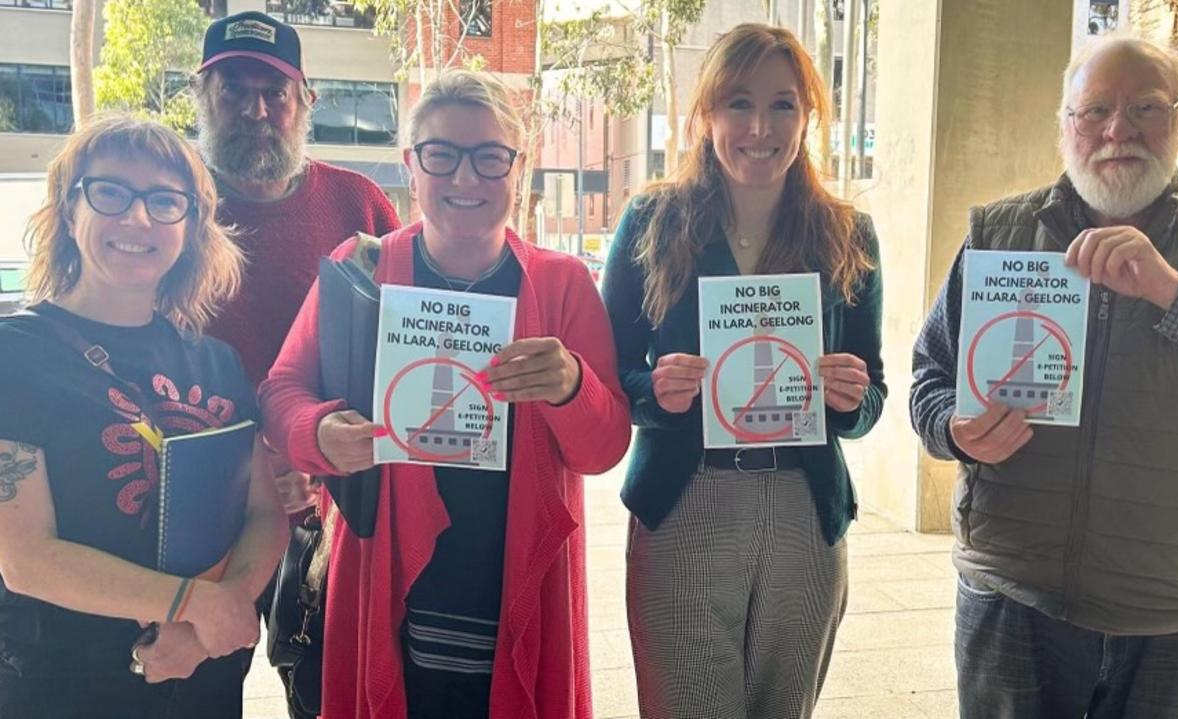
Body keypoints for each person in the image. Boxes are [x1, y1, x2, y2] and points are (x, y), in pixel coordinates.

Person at [909, 37, 1178, 718]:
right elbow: (929, 377)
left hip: (1173, 617)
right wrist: (953, 430)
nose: (1118, 130)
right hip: (1012, 596)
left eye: (1145, 108)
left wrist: (1175, 291)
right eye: (1095, 110)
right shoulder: (1000, 233)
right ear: (1065, 125)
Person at [260, 69, 631, 718]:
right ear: (411, 164)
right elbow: (282, 390)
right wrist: (318, 432)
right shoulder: (363, 267)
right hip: (387, 596)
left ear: (519, 168)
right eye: (442, 155)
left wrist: (571, 385)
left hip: (515, 597)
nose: (466, 179)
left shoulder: (562, 283)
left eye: (490, 158)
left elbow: (605, 448)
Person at [603, 24, 885, 719]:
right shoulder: (651, 220)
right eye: (738, 103)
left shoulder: (847, 233)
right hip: (685, 500)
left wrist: (849, 398)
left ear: (807, 116)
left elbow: (871, 391)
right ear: (705, 114)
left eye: (783, 105)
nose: (760, 127)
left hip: (802, 510)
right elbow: (607, 374)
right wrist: (654, 390)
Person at [0, 114, 288, 717]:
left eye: (164, 201)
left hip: (204, 678)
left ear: (191, 226)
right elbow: (26, 560)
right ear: (69, 210)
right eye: (110, 192)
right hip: (61, 684)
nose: (137, 218)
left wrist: (220, 609)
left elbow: (265, 512)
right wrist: (197, 606)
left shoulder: (217, 362)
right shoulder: (15, 353)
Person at [193, 10, 402, 515]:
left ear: (306, 100)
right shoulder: (169, 206)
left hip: (340, 497)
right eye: (233, 91)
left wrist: (316, 444)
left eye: (275, 93)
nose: (255, 111)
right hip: (202, 491)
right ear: (201, 98)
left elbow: (402, 342)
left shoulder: (360, 204)